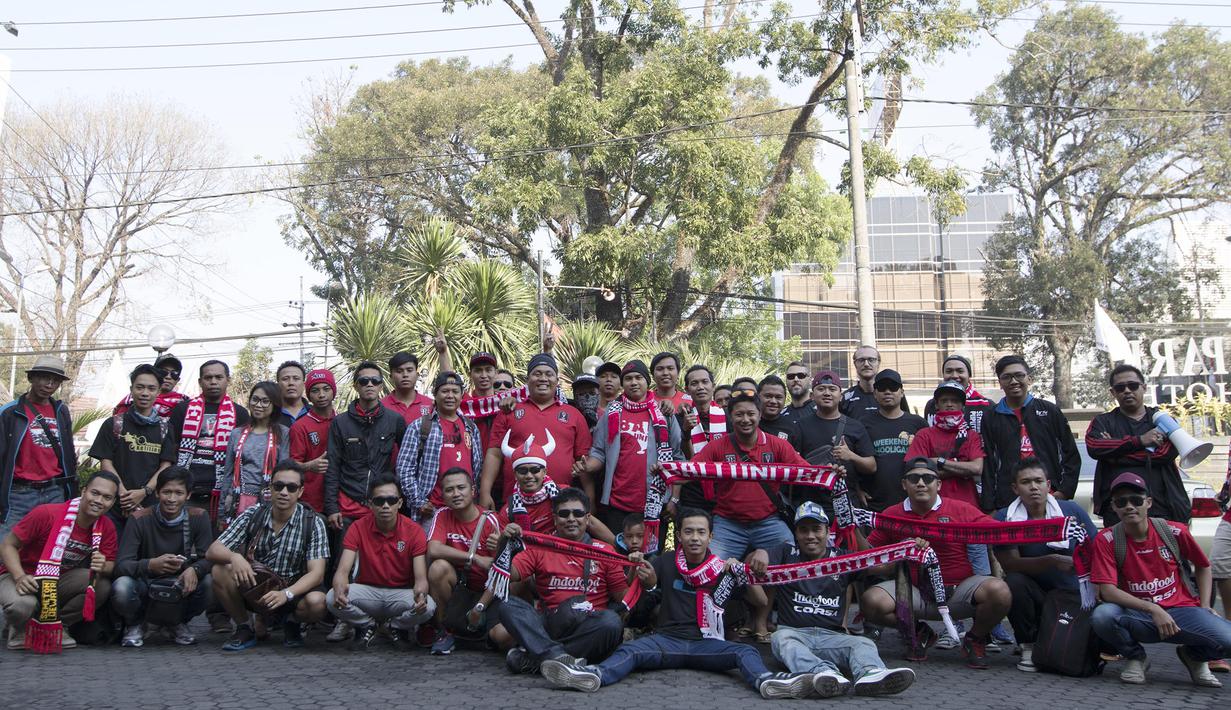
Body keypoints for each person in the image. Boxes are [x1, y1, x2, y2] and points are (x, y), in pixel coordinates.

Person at [538, 507, 815, 699]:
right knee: (630, 651)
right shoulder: (666, 561)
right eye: (689, 532)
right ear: (679, 536)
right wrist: (647, 581)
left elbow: (761, 600)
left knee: (746, 652)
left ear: (711, 537)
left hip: (707, 645)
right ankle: (593, 675)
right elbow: (642, 597)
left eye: (701, 532)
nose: (695, 538)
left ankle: (767, 681)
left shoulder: (721, 568)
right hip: (666, 641)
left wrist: (741, 573)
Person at [860, 458, 1012, 670]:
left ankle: (975, 638)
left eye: (928, 478)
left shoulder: (961, 509)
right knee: (871, 601)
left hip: (960, 590)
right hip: (913, 592)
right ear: (904, 484)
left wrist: (1042, 527)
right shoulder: (892, 515)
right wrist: (901, 552)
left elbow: (998, 532)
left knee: (1000, 592)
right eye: (914, 478)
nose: (921, 483)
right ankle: (918, 633)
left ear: (939, 484)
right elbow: (868, 556)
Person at [761, 502, 916, 697]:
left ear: (827, 532)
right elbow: (756, 558)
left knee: (864, 643)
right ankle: (824, 674)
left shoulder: (842, 558)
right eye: (803, 530)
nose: (810, 536)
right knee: (780, 638)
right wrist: (760, 554)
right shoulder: (786, 552)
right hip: (794, 634)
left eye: (816, 529)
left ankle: (870, 674)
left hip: (832, 637)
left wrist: (909, 548)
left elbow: (882, 566)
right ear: (796, 534)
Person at [1090, 472, 1231, 687]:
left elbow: (1203, 566)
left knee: (1228, 640)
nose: (1129, 506)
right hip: (1138, 614)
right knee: (1102, 616)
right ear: (1114, 507)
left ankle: (1194, 656)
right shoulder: (1106, 539)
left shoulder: (1174, 531)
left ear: (1148, 502)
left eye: (1136, 500)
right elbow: (1107, 591)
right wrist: (1153, 609)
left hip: (1182, 611)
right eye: (1121, 502)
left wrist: (1204, 606)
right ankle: (1136, 658)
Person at [488, 488, 628, 675]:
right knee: (507, 605)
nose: (571, 519)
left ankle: (538, 659)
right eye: (564, 514)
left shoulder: (604, 551)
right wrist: (503, 544)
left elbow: (623, 598)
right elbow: (508, 574)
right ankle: (558, 658)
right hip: (549, 624)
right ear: (555, 519)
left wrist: (646, 582)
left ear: (587, 519)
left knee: (611, 622)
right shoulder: (540, 547)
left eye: (577, 513)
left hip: (588, 626)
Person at [207, 461, 329, 651]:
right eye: (278, 486)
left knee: (318, 602)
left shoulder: (313, 522)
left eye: (291, 488)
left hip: (292, 593)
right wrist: (234, 557)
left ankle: (292, 623)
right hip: (255, 588)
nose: (284, 492)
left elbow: (317, 574)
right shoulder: (253, 514)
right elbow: (213, 550)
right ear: (270, 488)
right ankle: (244, 627)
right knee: (220, 570)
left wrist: (286, 594)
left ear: (300, 492)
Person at [992, 458, 1097, 672]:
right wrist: (1052, 560)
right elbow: (1010, 564)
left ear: (1048, 485)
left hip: (1073, 596)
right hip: (1036, 597)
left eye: (1038, 481)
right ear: (1015, 488)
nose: (1033, 487)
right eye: (1026, 482)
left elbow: (1097, 551)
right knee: (1013, 582)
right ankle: (1027, 645)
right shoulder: (1005, 517)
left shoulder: (1071, 511)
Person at [0, 471, 119, 651]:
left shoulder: (106, 527)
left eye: (107, 497)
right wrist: (19, 577)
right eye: (95, 493)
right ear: (83, 491)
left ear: (112, 502)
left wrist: (103, 565)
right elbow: (7, 545)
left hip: (57, 580)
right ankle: (20, 627)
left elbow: (110, 565)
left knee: (100, 586)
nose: (99, 500)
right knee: (23, 605)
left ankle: (56, 625)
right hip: (18, 575)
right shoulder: (46, 513)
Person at [688, 392, 810, 563]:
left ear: (759, 415)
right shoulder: (717, 446)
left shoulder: (778, 445)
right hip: (727, 524)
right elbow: (690, 470)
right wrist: (663, 470)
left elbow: (808, 472)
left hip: (769, 522)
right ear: (730, 417)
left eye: (751, 414)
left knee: (791, 558)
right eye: (739, 414)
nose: (745, 419)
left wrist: (832, 471)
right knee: (709, 567)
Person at [111, 466, 215, 647]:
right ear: (157, 493)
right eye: (167, 492)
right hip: (145, 583)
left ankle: (177, 623)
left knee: (210, 582)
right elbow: (121, 565)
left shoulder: (198, 516)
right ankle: (135, 624)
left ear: (188, 495)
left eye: (178, 493)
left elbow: (208, 558)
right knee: (121, 586)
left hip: (179, 584)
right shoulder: (139, 519)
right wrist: (150, 565)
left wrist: (194, 569)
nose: (172, 499)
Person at [327, 474, 433, 649]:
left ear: (400, 503)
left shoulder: (414, 531)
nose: (385, 506)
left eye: (391, 500)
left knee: (428, 607)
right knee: (332, 597)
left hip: (400, 594)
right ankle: (367, 624)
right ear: (370, 504)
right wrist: (339, 589)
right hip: (367, 593)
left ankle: (395, 626)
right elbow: (343, 571)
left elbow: (420, 577)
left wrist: (421, 595)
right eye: (379, 501)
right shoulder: (357, 527)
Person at [581, 360, 684, 535]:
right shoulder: (612, 412)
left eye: (638, 378)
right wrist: (588, 466)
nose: (634, 382)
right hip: (617, 503)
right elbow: (599, 451)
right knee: (618, 550)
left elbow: (677, 457)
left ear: (647, 382)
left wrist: (674, 498)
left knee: (651, 552)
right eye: (628, 379)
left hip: (655, 501)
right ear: (623, 384)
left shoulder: (663, 414)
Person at [479, 353, 591, 510]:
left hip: (561, 505)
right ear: (527, 380)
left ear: (557, 381)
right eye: (537, 374)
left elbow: (583, 461)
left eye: (549, 374)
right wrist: (485, 492)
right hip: (516, 502)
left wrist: (590, 500)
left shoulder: (574, 414)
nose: (543, 378)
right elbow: (494, 454)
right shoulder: (509, 411)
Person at [1086, 364, 1189, 526]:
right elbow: (1095, 446)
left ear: (1144, 388)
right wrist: (1140, 441)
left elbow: (1164, 454)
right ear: (1113, 392)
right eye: (1120, 388)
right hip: (1118, 511)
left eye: (1133, 385)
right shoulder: (1102, 422)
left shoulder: (1163, 420)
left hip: (1164, 507)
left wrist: (1114, 455)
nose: (1127, 391)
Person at [981, 355, 1080, 511]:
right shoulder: (991, 416)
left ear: (1029, 379)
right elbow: (988, 463)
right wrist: (989, 507)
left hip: (1050, 497)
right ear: (1000, 382)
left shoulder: (1049, 411)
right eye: (1007, 377)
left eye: (1019, 375)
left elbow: (1071, 455)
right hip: (1008, 500)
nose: (1014, 381)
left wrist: (1064, 491)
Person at [0, 355, 79, 536]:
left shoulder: (61, 412)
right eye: (44, 378)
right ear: (31, 378)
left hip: (55, 491)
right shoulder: (9, 413)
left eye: (55, 380)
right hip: (19, 493)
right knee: (6, 545)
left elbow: (68, 452)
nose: (49, 384)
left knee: (49, 544)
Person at [426, 467, 501, 655]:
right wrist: (474, 557)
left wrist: (480, 606)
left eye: (461, 488)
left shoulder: (490, 520)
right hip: (460, 587)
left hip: (488, 590)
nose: (456, 494)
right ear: (443, 495)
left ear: (473, 490)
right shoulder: (442, 514)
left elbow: (501, 571)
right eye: (449, 490)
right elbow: (434, 549)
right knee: (437, 568)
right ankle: (445, 631)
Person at [325, 362, 408, 531]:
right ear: (356, 386)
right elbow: (332, 466)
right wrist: (331, 507)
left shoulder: (395, 420)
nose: (370, 384)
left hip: (382, 505)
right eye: (364, 381)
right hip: (348, 507)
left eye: (375, 381)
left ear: (381, 386)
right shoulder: (340, 422)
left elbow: (408, 462)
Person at [160, 360, 251, 513]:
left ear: (228, 380)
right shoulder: (182, 409)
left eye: (218, 377)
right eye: (208, 378)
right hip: (185, 491)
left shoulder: (240, 413)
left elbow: (242, 455)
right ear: (200, 381)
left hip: (222, 492)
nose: (213, 382)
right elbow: (170, 449)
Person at [90, 364, 171, 534]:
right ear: (131, 389)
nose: (145, 393)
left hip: (150, 506)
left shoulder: (165, 428)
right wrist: (124, 495)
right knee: (111, 548)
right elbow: (106, 462)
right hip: (114, 505)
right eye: (139, 387)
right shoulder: (113, 424)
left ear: (158, 392)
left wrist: (144, 492)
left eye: (151, 388)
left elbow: (166, 466)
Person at [397, 371, 483, 524]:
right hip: (431, 510)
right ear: (435, 394)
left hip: (466, 509)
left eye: (455, 391)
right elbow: (404, 468)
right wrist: (419, 501)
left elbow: (477, 468)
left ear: (461, 396)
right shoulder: (420, 426)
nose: (450, 396)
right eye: (445, 391)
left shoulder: (470, 427)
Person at [793, 371, 875, 508]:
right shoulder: (800, 426)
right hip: (811, 504)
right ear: (812, 396)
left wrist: (851, 456)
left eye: (832, 389)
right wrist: (818, 471)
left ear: (841, 396)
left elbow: (871, 466)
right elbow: (792, 464)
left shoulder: (855, 426)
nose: (827, 393)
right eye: (821, 389)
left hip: (847, 502)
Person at [219, 381, 291, 525]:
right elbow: (228, 473)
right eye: (255, 399)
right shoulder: (236, 433)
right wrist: (221, 509)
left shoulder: (283, 433)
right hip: (236, 500)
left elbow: (283, 472)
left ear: (275, 405)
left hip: (268, 500)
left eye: (265, 401)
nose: (258, 405)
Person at [906, 381, 984, 510]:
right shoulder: (924, 435)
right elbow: (917, 472)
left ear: (962, 406)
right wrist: (961, 468)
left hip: (967, 506)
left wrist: (939, 461)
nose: (949, 404)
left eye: (955, 401)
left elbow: (976, 468)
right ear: (937, 405)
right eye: (944, 401)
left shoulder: (971, 435)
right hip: (932, 506)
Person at [861, 370, 926, 512]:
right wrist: (857, 489)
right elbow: (854, 461)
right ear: (875, 394)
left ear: (901, 392)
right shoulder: (863, 424)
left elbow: (929, 462)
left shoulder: (919, 423)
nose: (887, 392)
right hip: (874, 503)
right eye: (882, 388)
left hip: (912, 502)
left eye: (893, 387)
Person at [289, 368, 336, 514]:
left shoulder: (343, 422)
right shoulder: (300, 426)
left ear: (334, 391)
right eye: (315, 390)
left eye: (326, 389)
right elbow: (292, 465)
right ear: (308, 395)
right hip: (311, 502)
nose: (321, 395)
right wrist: (310, 465)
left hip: (339, 500)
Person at [676, 365, 723, 512]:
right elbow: (684, 458)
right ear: (687, 389)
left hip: (724, 489)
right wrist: (686, 432)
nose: (700, 387)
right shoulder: (679, 418)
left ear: (713, 386)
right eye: (694, 383)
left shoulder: (727, 416)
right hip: (692, 491)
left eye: (705, 382)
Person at [923, 355, 991, 432]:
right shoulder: (932, 404)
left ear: (969, 375)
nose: (954, 376)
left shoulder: (986, 405)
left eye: (960, 371)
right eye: (949, 371)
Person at [841, 346, 908, 420]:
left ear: (878, 363)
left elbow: (907, 421)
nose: (866, 364)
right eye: (861, 360)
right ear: (855, 364)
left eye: (871, 360)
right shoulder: (845, 398)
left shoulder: (894, 394)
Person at [112, 353, 188, 417]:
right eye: (163, 371)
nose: (168, 376)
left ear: (178, 379)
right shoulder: (131, 400)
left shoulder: (184, 404)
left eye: (174, 373)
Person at [462, 352, 501, 450]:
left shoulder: (504, 402)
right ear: (470, 374)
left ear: (496, 373)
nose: (483, 375)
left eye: (488, 370)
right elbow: (447, 380)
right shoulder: (465, 404)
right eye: (478, 371)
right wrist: (443, 352)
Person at [383, 351, 435, 424]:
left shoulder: (430, 405)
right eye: (399, 371)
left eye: (409, 370)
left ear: (417, 375)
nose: (405, 375)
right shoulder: (381, 407)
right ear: (391, 377)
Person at [758, 375, 800, 449]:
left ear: (784, 399)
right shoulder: (749, 424)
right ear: (758, 397)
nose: (773, 401)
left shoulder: (793, 429)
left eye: (778, 397)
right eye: (768, 396)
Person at [275, 361, 310, 428]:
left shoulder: (315, 413)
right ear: (277, 385)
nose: (291, 383)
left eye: (296, 378)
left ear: (303, 385)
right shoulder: (269, 415)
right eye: (285, 379)